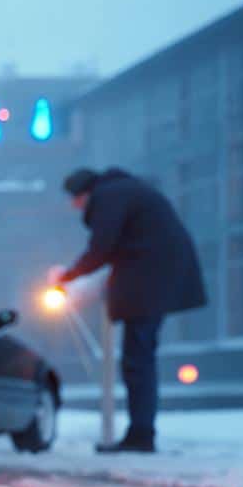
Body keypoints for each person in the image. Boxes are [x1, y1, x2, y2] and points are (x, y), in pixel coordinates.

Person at [52, 167, 207, 453]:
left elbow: (102, 247)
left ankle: (141, 434)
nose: (75, 208)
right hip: (157, 278)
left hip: (148, 282)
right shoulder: (125, 192)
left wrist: (67, 276)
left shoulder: (109, 197)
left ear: (83, 193)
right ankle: (141, 431)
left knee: (138, 360)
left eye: (74, 201)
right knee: (140, 357)